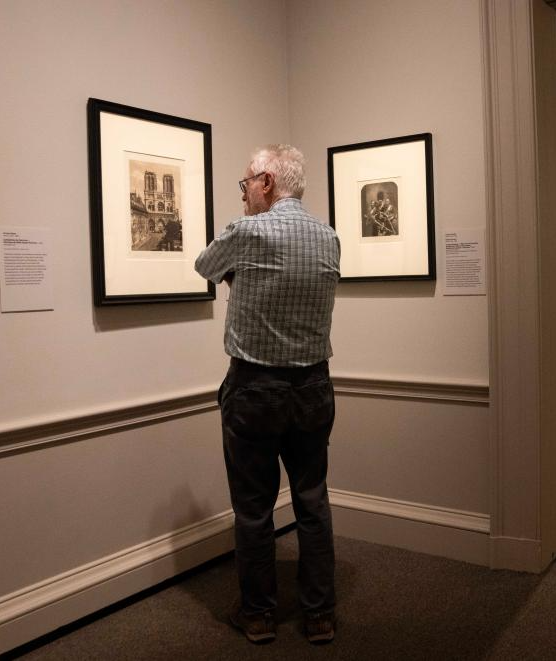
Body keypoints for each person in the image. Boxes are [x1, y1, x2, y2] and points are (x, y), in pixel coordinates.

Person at [194, 144, 341, 645]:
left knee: (254, 508)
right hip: (314, 386)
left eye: (246, 185)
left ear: (267, 182)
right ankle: (320, 615)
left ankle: (258, 615)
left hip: (255, 388)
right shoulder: (328, 237)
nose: (244, 195)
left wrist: (239, 274)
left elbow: (204, 266)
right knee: (312, 501)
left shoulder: (247, 232)